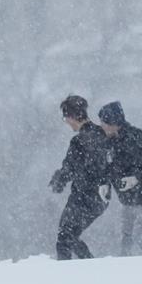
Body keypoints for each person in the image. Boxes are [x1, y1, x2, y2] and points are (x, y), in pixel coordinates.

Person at [98, 101, 142, 256]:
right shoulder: (109, 143)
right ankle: (124, 270)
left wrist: (137, 177)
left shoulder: (141, 138)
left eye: (104, 123)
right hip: (127, 199)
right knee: (126, 238)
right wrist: (104, 183)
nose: (102, 126)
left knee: (141, 237)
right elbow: (107, 166)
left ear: (114, 123)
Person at [49, 95, 111, 260]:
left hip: (84, 195)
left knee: (64, 237)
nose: (66, 122)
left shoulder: (79, 141)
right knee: (71, 236)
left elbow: (71, 167)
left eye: (65, 118)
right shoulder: (102, 133)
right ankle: (89, 266)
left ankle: (67, 275)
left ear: (71, 117)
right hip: (102, 197)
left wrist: (59, 179)